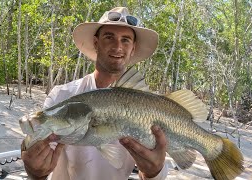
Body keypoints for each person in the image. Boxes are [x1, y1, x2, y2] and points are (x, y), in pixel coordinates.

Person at [21, 7, 168, 180]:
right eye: (109, 37)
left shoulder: (150, 106)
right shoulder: (61, 95)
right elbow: (40, 166)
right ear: (96, 43)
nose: (117, 46)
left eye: (125, 40)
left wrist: (154, 172)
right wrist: (34, 172)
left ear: (133, 48)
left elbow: (155, 170)